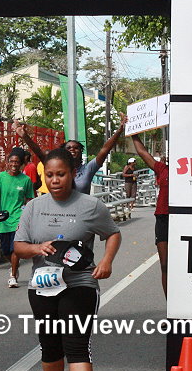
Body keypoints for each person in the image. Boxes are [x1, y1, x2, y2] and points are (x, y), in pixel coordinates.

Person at [14, 148, 121, 371]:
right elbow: (19, 246)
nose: (55, 180)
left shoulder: (90, 205)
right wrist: (37, 248)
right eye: (49, 175)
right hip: (43, 285)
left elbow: (113, 233)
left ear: (73, 174)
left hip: (80, 284)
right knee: (49, 345)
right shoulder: (33, 207)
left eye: (60, 174)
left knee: (76, 345)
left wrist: (106, 261)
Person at [13, 114, 127, 194]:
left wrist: (119, 131)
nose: (72, 150)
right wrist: (24, 136)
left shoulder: (88, 169)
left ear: (81, 151)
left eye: (76, 148)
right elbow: (39, 152)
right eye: (69, 148)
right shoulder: (57, 168)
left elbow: (104, 150)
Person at [0, 147, 34, 288]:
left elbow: (29, 198)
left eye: (17, 162)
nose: (14, 164)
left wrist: (26, 213)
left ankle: (13, 276)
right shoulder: (1, 177)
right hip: (3, 219)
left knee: (15, 248)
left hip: (18, 218)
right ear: (8, 163)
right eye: (12, 162)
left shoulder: (26, 180)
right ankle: (14, 265)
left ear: (21, 164)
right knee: (5, 250)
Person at [132, 134, 168, 297]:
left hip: (184, 220)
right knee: (165, 265)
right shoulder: (162, 169)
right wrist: (133, 132)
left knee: (185, 267)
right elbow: (142, 152)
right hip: (163, 219)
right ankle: (170, 308)